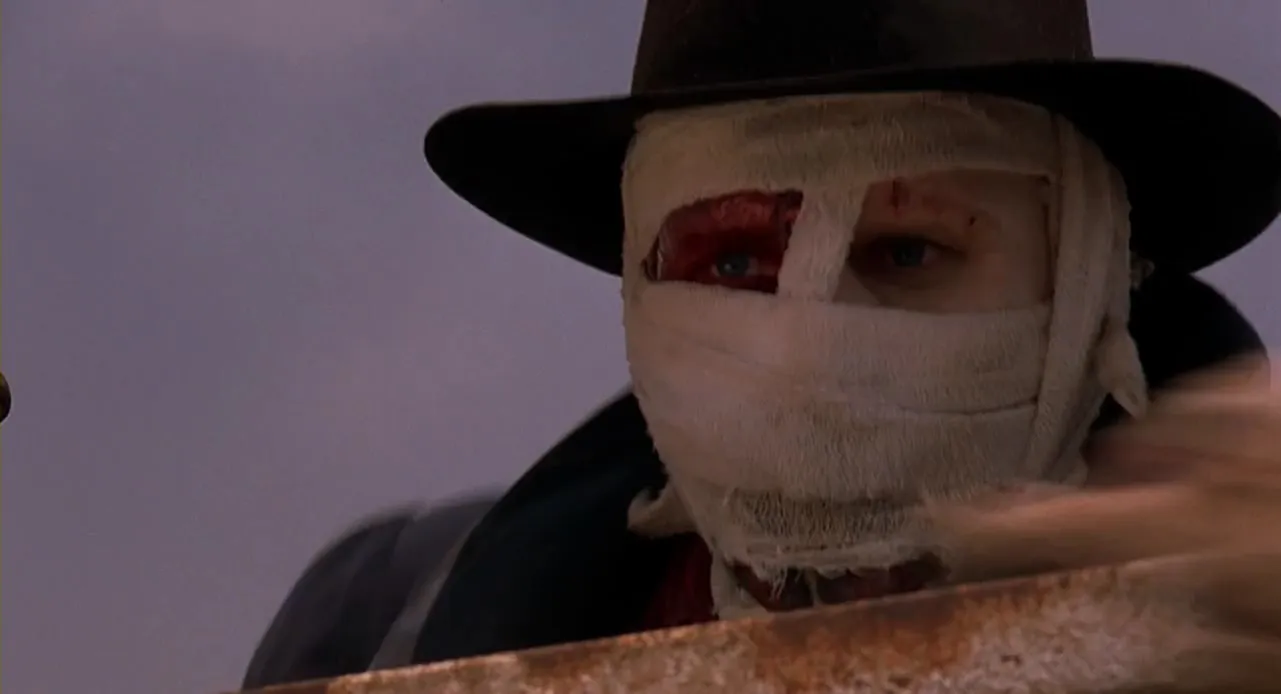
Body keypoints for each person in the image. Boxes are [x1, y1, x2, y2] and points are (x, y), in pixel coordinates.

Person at [241, 0, 1281, 689]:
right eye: (731, 261)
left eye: (908, 251)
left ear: (1087, 282)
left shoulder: (1244, 629)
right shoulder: (379, 632)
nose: (801, 353)